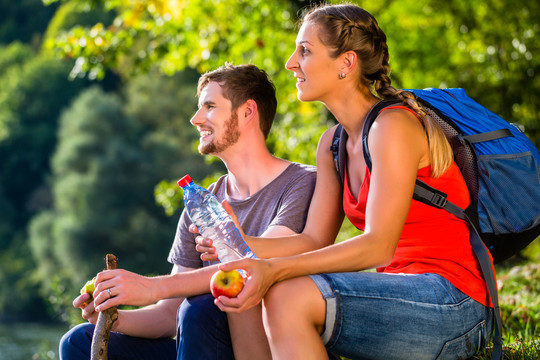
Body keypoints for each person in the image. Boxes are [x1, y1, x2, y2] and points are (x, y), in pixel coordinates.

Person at [204, 4, 495, 360]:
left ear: (346, 63)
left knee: (285, 294)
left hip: (455, 301)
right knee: (258, 286)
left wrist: (273, 270)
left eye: (305, 51)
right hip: (401, 293)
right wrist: (241, 243)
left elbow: (377, 247)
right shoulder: (333, 145)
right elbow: (312, 241)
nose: (290, 62)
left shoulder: (392, 126)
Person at [59, 63, 321, 360]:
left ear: (248, 112)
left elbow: (253, 261)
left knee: (200, 307)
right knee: (78, 341)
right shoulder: (200, 203)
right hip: (203, 345)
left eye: (209, 106)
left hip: (264, 347)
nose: (195, 119)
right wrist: (112, 318)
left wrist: (150, 286)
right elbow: (169, 314)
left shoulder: (302, 182)